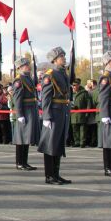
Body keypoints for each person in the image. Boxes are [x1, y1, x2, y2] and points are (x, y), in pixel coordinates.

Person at [38, 47, 72, 185]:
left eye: (63, 55)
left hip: (62, 111)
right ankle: (49, 176)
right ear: (54, 60)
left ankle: (56, 174)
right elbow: (45, 98)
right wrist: (46, 116)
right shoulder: (50, 75)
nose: (63, 58)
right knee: (50, 145)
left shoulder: (63, 73)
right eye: (61, 56)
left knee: (58, 144)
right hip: (53, 112)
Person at [11, 57, 38, 171]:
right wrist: (20, 114)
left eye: (28, 65)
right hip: (25, 110)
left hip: (31, 109)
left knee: (26, 137)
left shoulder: (28, 78)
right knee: (21, 138)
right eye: (26, 65)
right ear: (20, 68)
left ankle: (24, 162)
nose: (28, 67)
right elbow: (17, 99)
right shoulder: (19, 80)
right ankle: (19, 162)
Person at [71, 78, 92, 147]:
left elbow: (88, 103)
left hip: (82, 114)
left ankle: (82, 142)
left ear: (78, 85)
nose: (73, 87)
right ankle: (76, 142)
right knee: (75, 129)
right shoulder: (71, 93)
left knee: (82, 129)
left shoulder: (84, 93)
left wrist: (87, 113)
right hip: (73, 114)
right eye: (73, 85)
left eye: (75, 85)